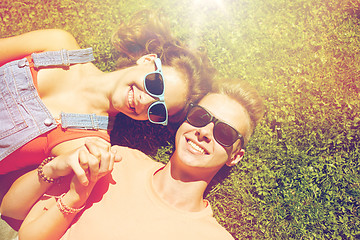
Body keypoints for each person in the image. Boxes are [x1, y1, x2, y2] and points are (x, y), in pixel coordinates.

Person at [0, 80, 265, 240]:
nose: (204, 132)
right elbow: (14, 216)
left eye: (224, 133)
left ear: (236, 156)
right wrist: (64, 182)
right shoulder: (117, 160)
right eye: (200, 117)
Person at [0, 9, 214, 175]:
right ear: (147, 60)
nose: (144, 101)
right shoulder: (57, 44)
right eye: (155, 85)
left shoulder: (90, 143)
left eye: (157, 109)